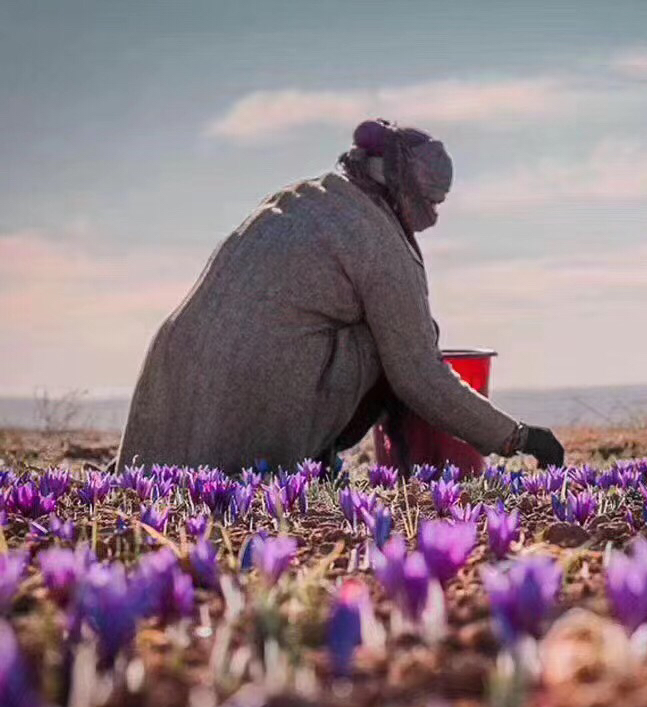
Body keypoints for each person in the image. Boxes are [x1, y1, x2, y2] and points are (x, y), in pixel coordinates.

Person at [115, 118, 565, 475]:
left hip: (167, 403)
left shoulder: (302, 199)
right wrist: (517, 437)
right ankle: (336, 463)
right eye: (429, 201)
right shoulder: (380, 241)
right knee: (399, 339)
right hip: (251, 414)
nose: (431, 216)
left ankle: (300, 458)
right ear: (401, 185)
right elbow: (419, 374)